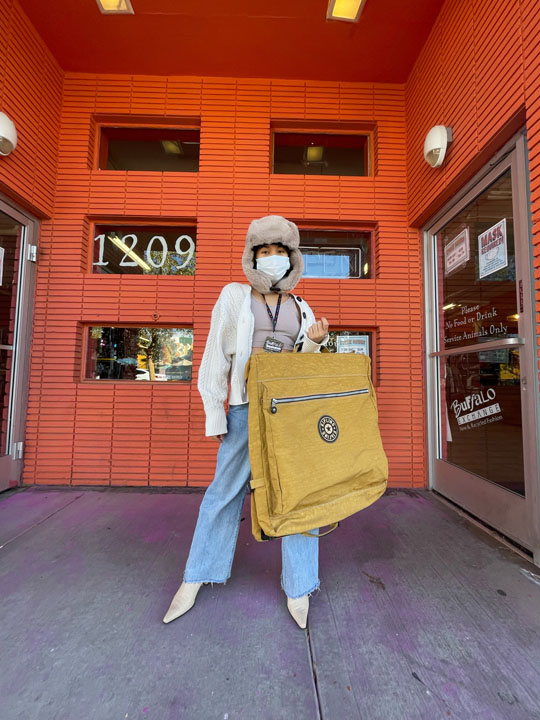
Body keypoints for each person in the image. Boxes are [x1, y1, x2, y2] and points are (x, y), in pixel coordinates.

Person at [163, 215, 329, 628]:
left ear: (293, 259)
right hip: (243, 410)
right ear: (253, 256)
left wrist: (315, 341)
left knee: (297, 496)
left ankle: (301, 585)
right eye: (265, 251)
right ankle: (196, 576)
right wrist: (215, 412)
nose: (272, 259)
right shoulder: (235, 295)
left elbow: (304, 367)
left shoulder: (301, 305)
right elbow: (215, 358)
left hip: (289, 414)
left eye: (280, 252)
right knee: (224, 492)